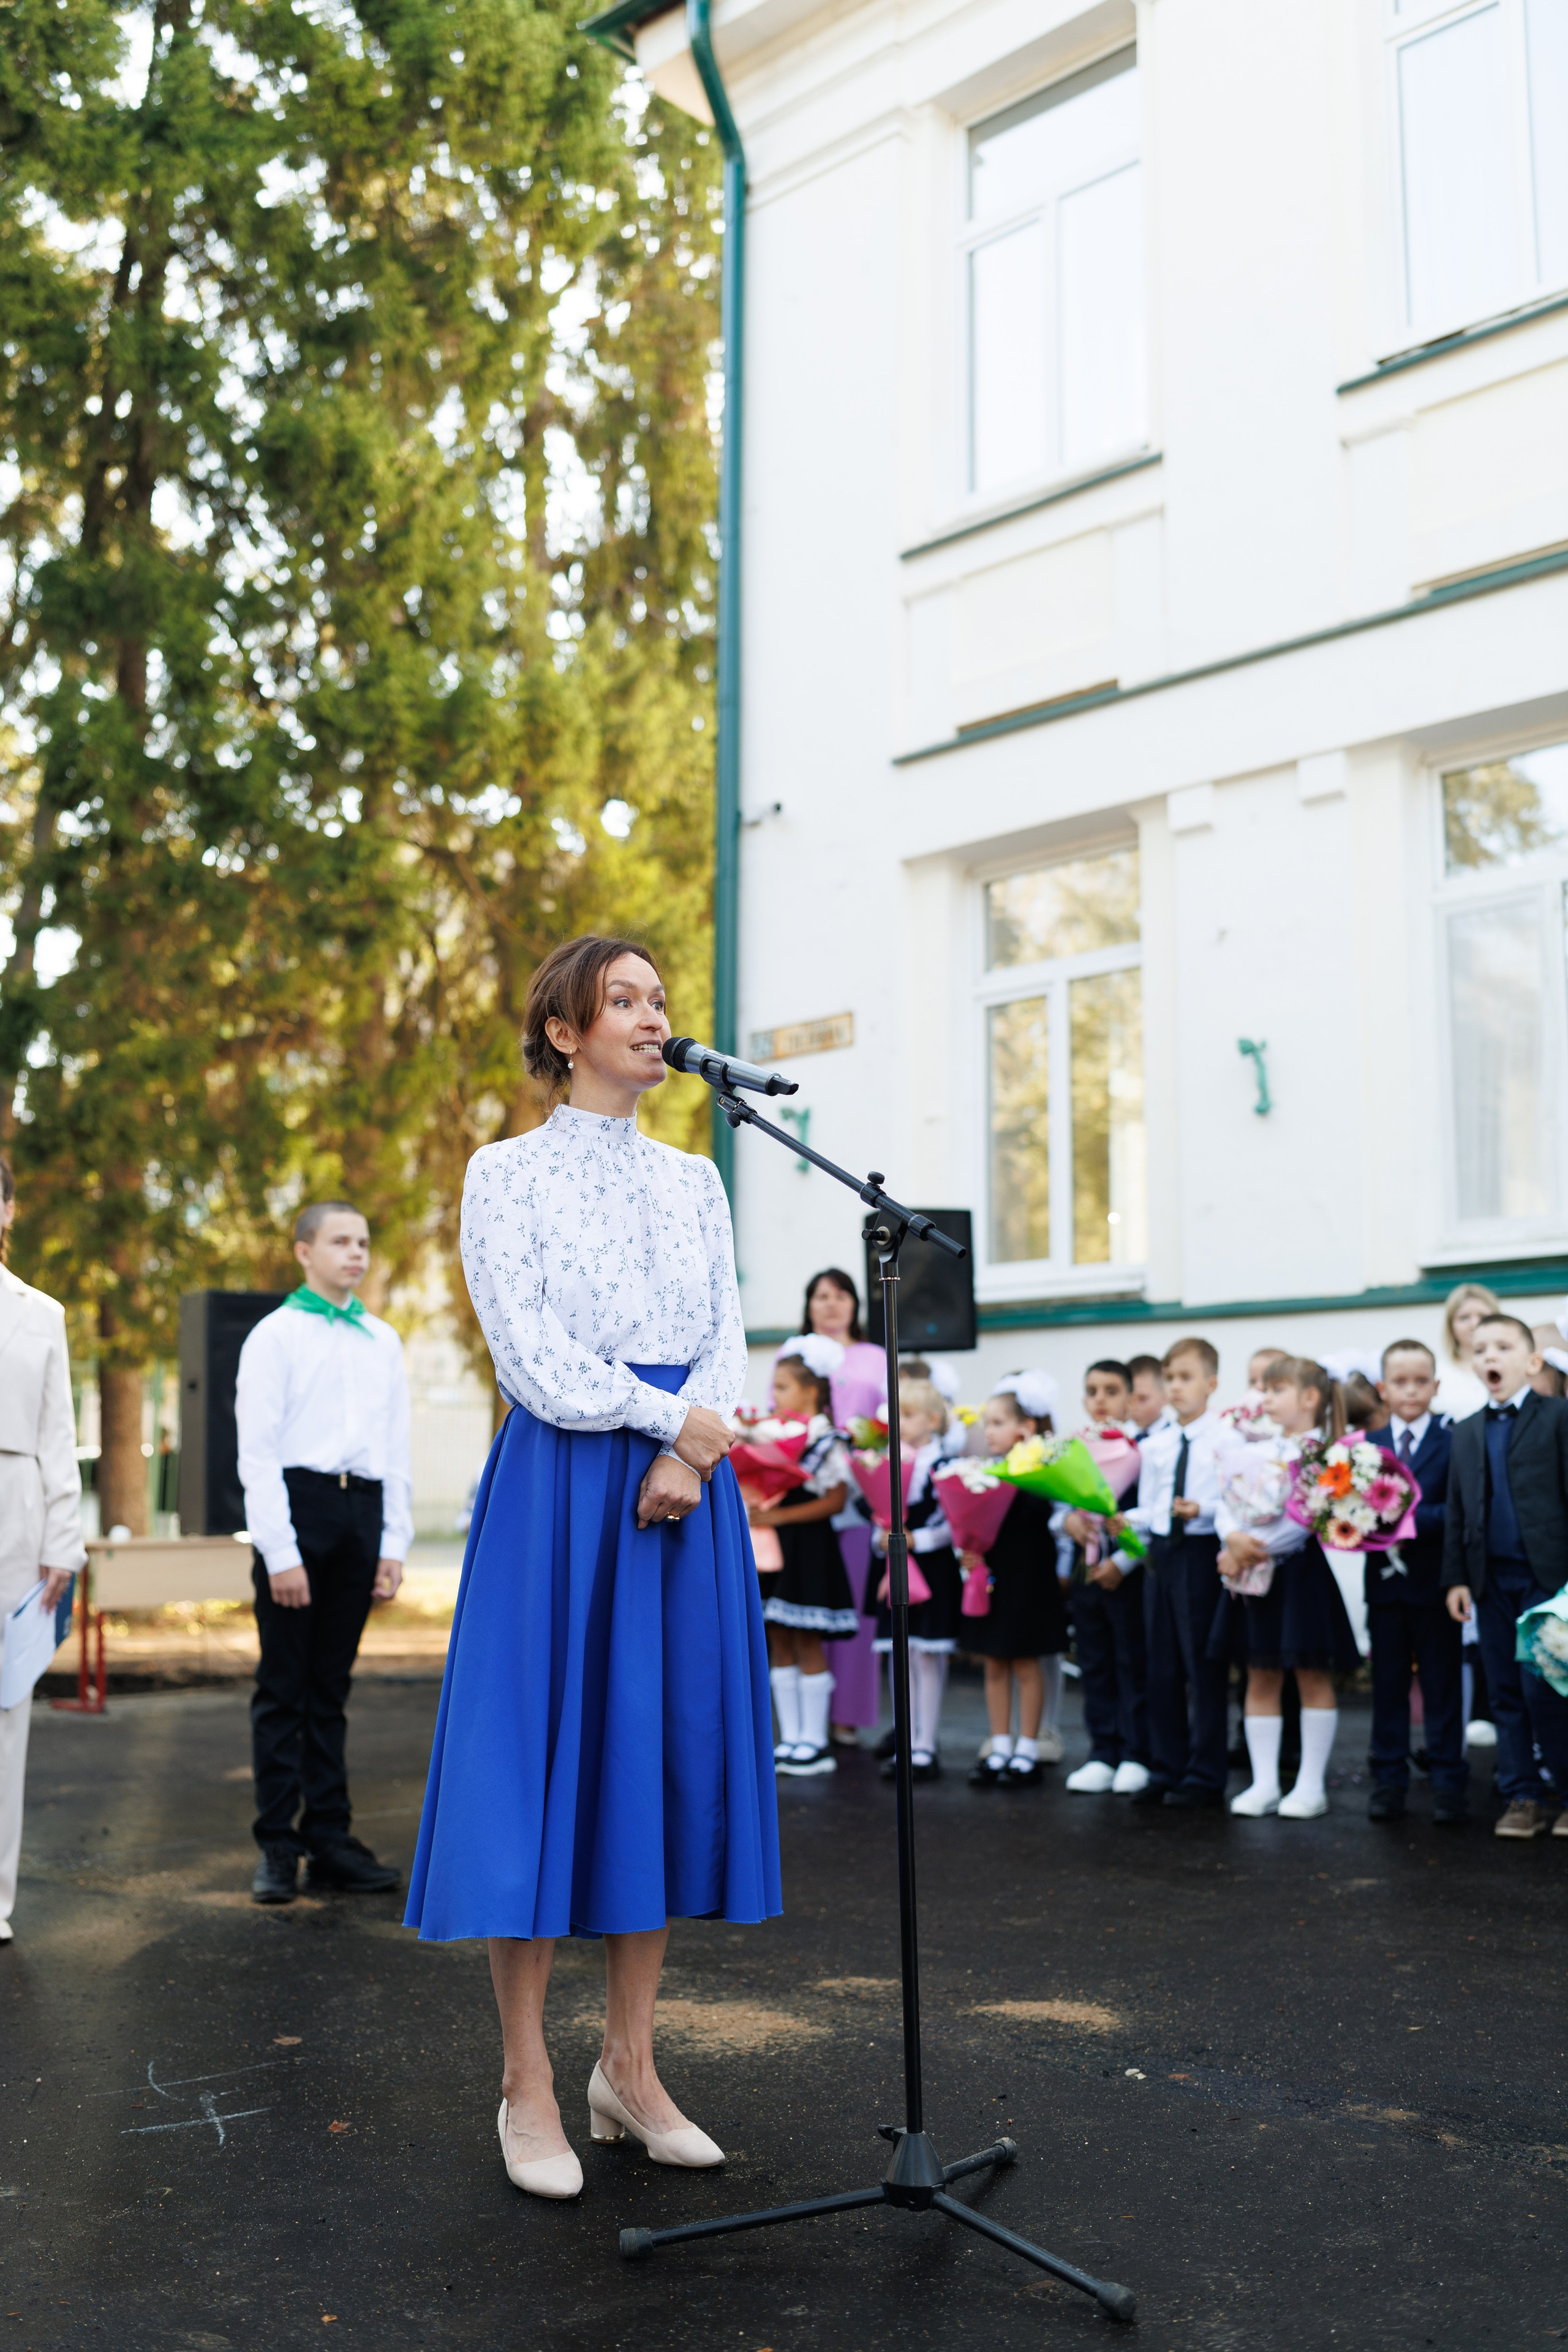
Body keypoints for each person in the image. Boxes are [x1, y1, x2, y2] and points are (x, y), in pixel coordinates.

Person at [404, 936, 778, 2201]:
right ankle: (525, 2081)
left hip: (685, 1490)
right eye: (623, 999)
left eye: (659, 1001)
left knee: (655, 1773)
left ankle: (629, 2066)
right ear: (563, 1031)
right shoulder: (501, 1173)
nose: (651, 1017)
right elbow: (526, 1351)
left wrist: (699, 1442)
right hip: (565, 1490)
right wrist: (658, 1424)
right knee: (538, 1777)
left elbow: (726, 1331)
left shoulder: (695, 1182)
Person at [236, 1203, 412, 1905]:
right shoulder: (273, 1336)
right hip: (298, 1508)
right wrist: (279, 1551)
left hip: (360, 1509)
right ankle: (278, 1843)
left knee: (330, 1688)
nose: (356, 1254)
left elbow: (396, 1446)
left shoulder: (382, 1340)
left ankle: (331, 1838)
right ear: (304, 1251)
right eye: (340, 1242)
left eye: (363, 1242)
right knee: (284, 1687)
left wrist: (392, 1542)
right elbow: (257, 1452)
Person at [0, 1156, 86, 1946]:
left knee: (5, 1711)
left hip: (17, 1516)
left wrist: (64, 1540)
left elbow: (59, 1434)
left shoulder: (42, 1313)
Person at [1443, 1313, 1568, 1841]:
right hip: (1491, 1582)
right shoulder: (1467, 1432)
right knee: (1504, 1693)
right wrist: (1457, 1579)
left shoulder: (1558, 1417)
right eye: (1480, 1349)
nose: (1490, 1356)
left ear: (1532, 1361)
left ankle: (1564, 1790)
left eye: (1502, 1347)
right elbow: (1456, 1511)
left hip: (1547, 1579)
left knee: (1547, 1688)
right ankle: (1522, 1796)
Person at [1217, 1355, 1359, 1819]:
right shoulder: (1258, 1446)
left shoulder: (1330, 1455)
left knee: (1311, 1674)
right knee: (1260, 1674)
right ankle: (1263, 1784)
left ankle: (1310, 1786)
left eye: (1275, 1390)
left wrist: (1248, 1549)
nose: (1265, 1398)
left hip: (1298, 1576)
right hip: (1255, 1577)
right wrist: (1231, 1537)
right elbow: (1228, 1495)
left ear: (1309, 1398)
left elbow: (1304, 1520)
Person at [1120, 1338, 1227, 1809]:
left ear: (1212, 1383)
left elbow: (1239, 1501)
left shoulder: (1226, 1439)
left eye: (1186, 1378)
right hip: (1162, 1555)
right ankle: (1166, 1766)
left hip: (1202, 1553)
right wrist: (1126, 1521)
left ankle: (1205, 1774)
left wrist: (1203, 1509)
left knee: (1201, 1665)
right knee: (1160, 1663)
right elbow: (1152, 1505)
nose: (1176, 1387)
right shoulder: (1157, 1444)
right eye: (1170, 1379)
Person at [1365, 1341, 1463, 1825]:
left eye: (1420, 1381)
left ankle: (1447, 1779)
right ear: (1383, 1389)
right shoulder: (1366, 1447)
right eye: (1400, 1382)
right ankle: (1388, 1778)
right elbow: (1350, 1511)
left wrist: (1405, 1520)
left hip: (1435, 1583)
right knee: (1388, 1684)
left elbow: (1458, 1511)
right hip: (1383, 1588)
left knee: (1442, 1683)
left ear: (1436, 1386)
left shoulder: (1453, 1441)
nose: (1410, 1390)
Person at [752, 1338, 854, 1777]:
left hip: (809, 1545)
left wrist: (781, 1516)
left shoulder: (826, 1438)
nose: (775, 1396)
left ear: (812, 1391)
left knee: (807, 1637)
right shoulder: (767, 1433)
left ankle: (815, 1740)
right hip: (776, 1547)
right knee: (777, 1635)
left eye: (783, 1387)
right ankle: (790, 1737)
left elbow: (835, 1500)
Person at [793, 1269, 886, 1746]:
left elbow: (889, 1421)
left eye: (840, 1295)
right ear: (809, 1305)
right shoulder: (793, 1355)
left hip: (859, 1497)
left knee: (853, 1606)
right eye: (821, 1296)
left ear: (855, 1303)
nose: (831, 1305)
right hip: (805, 1495)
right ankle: (806, 1718)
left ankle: (845, 1715)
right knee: (808, 1600)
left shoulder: (875, 1356)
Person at [960, 1384, 1068, 1789]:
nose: (990, 1432)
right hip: (995, 1578)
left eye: (999, 1423)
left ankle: (1028, 1746)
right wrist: (968, 1550)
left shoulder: (1039, 1470)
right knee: (994, 1661)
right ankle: (1000, 1744)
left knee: (1026, 1662)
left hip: (1030, 1577)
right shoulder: (982, 1470)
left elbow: (1046, 1514)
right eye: (988, 1423)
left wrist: (1025, 1464)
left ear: (1026, 1428)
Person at [1061, 1359, 1150, 1796]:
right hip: (1086, 1568)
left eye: (1112, 1391)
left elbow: (1150, 1516)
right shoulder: (1075, 1448)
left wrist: (1124, 1563)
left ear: (1131, 1399)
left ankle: (1136, 1752)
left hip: (1125, 1572)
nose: (1101, 1400)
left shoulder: (1142, 1450)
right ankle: (1103, 1751)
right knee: (1093, 1659)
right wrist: (1066, 1524)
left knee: (1131, 1659)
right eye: (1093, 1390)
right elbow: (1062, 1503)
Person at [872, 1377, 961, 1782]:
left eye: (908, 1415)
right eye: (896, 1415)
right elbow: (874, 1508)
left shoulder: (945, 1465)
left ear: (934, 1419)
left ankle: (926, 1744)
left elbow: (954, 1523)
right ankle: (905, 1742)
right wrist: (882, 1536)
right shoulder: (885, 1460)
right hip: (895, 1566)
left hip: (931, 1567)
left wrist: (914, 1540)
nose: (900, 1423)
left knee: (927, 1654)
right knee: (900, 1653)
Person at [1437, 1282, 1499, 1422]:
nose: (1475, 1324)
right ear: (1451, 1326)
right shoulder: (1438, 1372)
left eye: (1483, 1317)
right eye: (1464, 1318)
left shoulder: (1511, 1369)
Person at [1125, 1355, 1169, 1438]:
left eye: (1142, 1398)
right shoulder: (1123, 1435)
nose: (1133, 1407)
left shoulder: (1177, 1440)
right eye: (1129, 1400)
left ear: (1165, 1397)